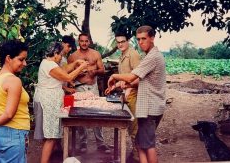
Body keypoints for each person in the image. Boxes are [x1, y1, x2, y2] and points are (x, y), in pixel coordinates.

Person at [106, 25, 166, 163]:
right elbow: (141, 81)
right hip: (149, 106)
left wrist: (114, 76)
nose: (141, 42)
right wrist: (118, 84)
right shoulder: (150, 56)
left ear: (152, 38)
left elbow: (132, 77)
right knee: (141, 143)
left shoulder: (152, 57)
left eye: (144, 38)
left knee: (148, 145)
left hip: (150, 108)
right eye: (138, 39)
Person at [33, 42, 88, 163]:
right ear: (56, 53)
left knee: (49, 135)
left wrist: (75, 63)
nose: (62, 57)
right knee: (51, 137)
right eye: (61, 55)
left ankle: (48, 157)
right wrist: (81, 68)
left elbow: (63, 70)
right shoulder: (50, 65)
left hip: (47, 100)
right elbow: (67, 77)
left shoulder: (49, 63)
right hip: (47, 102)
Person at [68, 33, 111, 154]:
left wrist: (94, 71)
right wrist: (78, 73)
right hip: (79, 88)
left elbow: (102, 70)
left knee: (98, 113)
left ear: (89, 42)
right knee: (80, 114)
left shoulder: (95, 54)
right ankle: (83, 142)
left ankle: (101, 143)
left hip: (93, 87)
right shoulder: (73, 56)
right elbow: (68, 76)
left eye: (86, 41)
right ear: (78, 42)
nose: (84, 43)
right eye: (82, 41)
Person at [113, 32, 141, 162]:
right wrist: (116, 85)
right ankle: (135, 153)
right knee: (129, 125)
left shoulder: (133, 54)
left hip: (134, 94)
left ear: (128, 41)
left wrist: (129, 87)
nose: (120, 44)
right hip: (126, 93)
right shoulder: (123, 55)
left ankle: (138, 156)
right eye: (118, 42)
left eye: (122, 42)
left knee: (135, 127)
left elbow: (139, 78)